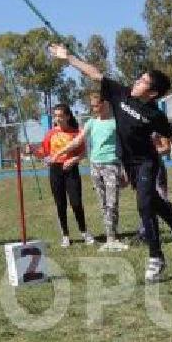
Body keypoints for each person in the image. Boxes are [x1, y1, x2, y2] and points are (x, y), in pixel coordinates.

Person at [50, 43, 172, 283]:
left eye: (143, 82)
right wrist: (68, 58)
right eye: (139, 78)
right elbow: (93, 73)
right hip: (128, 163)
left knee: (144, 204)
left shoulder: (155, 115)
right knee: (151, 200)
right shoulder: (120, 94)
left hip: (146, 163)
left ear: (152, 93)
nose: (137, 82)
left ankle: (156, 257)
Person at [57, 93, 129, 251]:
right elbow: (78, 140)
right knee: (103, 203)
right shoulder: (91, 123)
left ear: (106, 105)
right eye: (92, 106)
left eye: (96, 105)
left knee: (112, 203)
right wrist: (61, 151)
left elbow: (125, 147)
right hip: (95, 166)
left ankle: (112, 237)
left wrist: (125, 170)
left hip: (112, 165)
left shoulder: (116, 123)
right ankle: (110, 236)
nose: (93, 109)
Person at [32, 103, 93, 248]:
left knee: (76, 202)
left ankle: (84, 232)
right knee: (60, 204)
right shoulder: (50, 134)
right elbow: (44, 154)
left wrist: (73, 160)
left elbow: (84, 152)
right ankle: (65, 236)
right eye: (55, 116)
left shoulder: (76, 132)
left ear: (67, 116)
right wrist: (33, 150)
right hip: (55, 170)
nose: (57, 119)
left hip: (71, 170)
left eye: (60, 116)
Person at [134, 133, 172, 243]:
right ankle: (144, 231)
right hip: (141, 167)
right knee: (144, 199)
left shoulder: (156, 125)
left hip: (156, 168)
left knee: (161, 200)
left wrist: (150, 152)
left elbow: (167, 148)